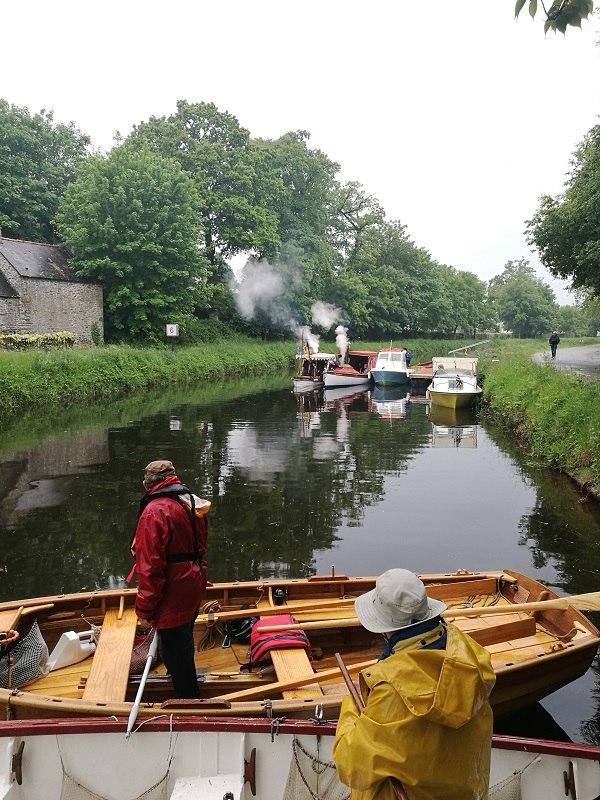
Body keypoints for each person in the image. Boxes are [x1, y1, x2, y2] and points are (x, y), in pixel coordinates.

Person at [333, 568, 496, 800]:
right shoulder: (468, 653)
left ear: (385, 627)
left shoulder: (390, 690)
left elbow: (351, 767)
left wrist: (351, 706)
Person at [129, 459, 209, 698]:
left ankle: (189, 703)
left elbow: (150, 568)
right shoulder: (190, 501)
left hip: (173, 591)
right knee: (181, 641)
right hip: (193, 583)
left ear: (148, 484)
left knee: (177, 655)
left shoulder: (154, 512)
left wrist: (144, 610)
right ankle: (182, 683)